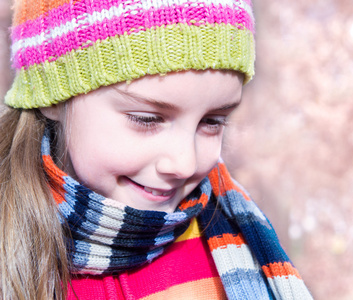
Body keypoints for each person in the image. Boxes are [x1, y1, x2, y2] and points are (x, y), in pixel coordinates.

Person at [0, 0, 313, 299]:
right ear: (53, 97)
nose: (185, 164)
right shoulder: (12, 247)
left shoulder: (230, 240)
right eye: (147, 119)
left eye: (212, 122)